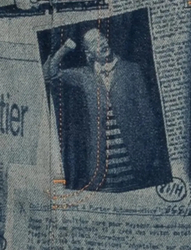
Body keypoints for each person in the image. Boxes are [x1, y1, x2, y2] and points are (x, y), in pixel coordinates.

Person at [42, 27, 169, 192]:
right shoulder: (84, 75)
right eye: (94, 42)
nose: (101, 42)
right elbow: (49, 73)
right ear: (89, 53)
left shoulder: (131, 70)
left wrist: (154, 153)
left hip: (135, 160)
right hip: (103, 167)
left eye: (102, 37)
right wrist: (66, 47)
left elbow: (147, 115)